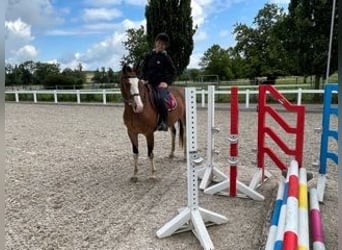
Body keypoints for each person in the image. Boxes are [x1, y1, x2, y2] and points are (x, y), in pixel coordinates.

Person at [140, 32, 177, 131]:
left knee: (161, 99)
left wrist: (166, 82)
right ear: (156, 43)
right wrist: (143, 79)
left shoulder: (166, 57)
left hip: (160, 85)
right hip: (148, 83)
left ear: (165, 46)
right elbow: (143, 69)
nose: (161, 46)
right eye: (159, 43)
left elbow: (173, 72)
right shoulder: (148, 56)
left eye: (163, 44)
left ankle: (163, 122)